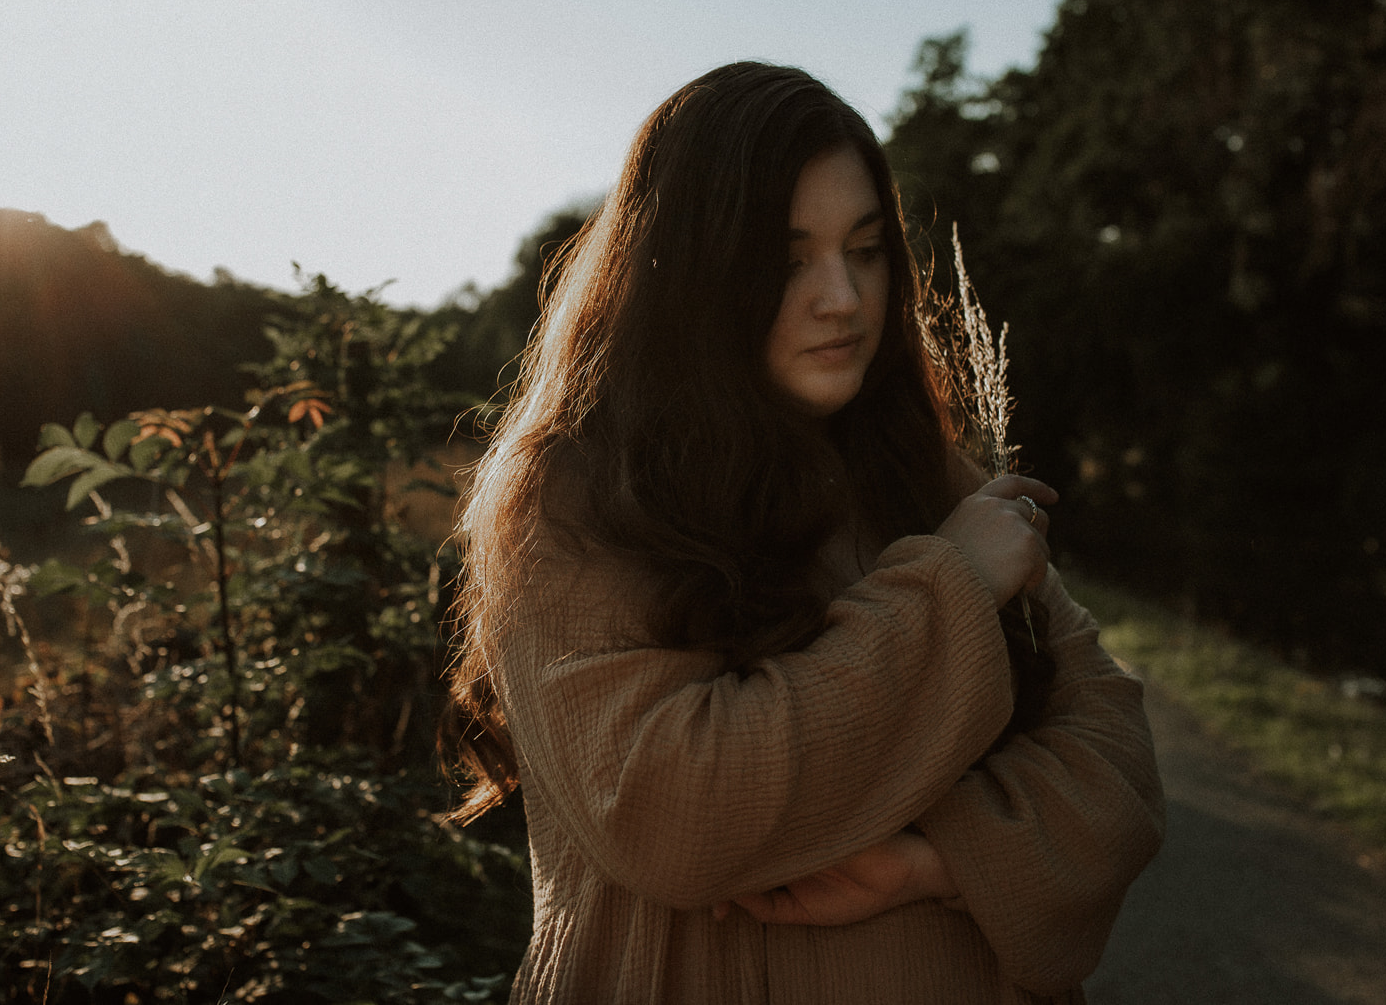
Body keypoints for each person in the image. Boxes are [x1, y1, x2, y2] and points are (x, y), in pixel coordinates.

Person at [444, 62, 1164, 1004]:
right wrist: (949, 586)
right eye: (788, 260)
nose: (846, 299)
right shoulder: (572, 502)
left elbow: (1116, 748)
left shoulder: (924, 471)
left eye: (865, 250)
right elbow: (672, 808)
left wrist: (939, 857)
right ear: (690, 273)